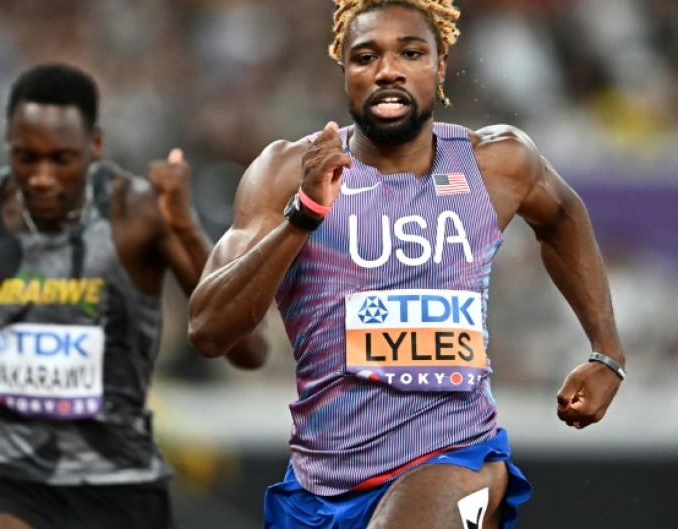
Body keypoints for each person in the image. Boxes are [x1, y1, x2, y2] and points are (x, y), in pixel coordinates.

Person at [187, 1, 625, 528]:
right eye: (365, 57)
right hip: (320, 486)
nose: (388, 71)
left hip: (457, 456)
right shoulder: (285, 172)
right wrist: (304, 215)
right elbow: (208, 329)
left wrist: (607, 352)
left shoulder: (498, 164)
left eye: (411, 54)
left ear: (441, 66)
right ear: (345, 71)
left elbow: (562, 217)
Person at [0, 62, 268, 529]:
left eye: (61, 159)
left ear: (93, 147)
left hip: (116, 480)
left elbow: (248, 350)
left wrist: (185, 228)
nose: (41, 177)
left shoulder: (139, 215)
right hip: (6, 474)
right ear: (7, 146)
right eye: (26, 157)